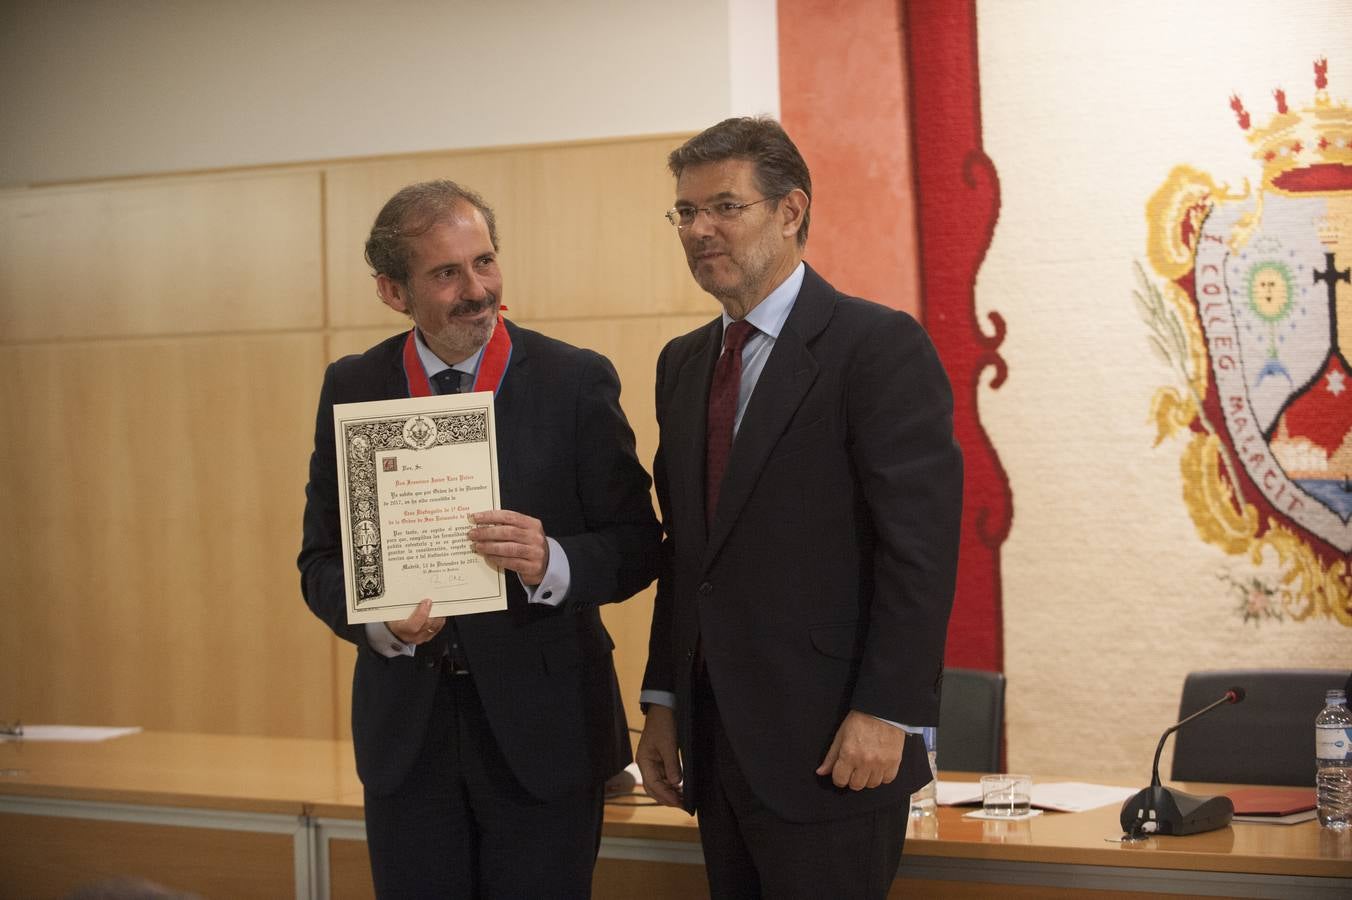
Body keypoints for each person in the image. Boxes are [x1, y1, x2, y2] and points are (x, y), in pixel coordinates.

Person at [298, 180, 660, 898]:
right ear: (392, 292)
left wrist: (552, 559)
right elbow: (320, 560)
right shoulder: (354, 385)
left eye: (485, 261)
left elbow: (638, 544)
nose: (477, 288)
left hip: (547, 734)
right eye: (446, 273)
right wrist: (375, 617)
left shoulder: (574, 379)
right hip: (407, 736)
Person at [636, 118, 963, 899]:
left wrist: (888, 710)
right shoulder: (683, 365)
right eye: (685, 212)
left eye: (724, 206)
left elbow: (917, 551)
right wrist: (662, 700)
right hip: (714, 747)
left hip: (836, 748)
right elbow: (689, 555)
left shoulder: (876, 347)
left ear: (790, 211)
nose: (700, 229)